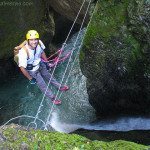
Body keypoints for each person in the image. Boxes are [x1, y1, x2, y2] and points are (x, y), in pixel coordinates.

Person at [18, 30, 69, 105]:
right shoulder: (23, 52)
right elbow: (22, 68)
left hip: (40, 64)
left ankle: (60, 87)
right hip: (33, 71)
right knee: (43, 85)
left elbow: (42, 52)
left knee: (49, 77)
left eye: (35, 39)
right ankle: (52, 98)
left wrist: (46, 62)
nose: (34, 42)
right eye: (31, 40)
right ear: (28, 41)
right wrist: (30, 79)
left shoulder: (39, 43)